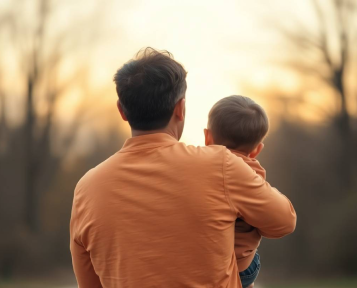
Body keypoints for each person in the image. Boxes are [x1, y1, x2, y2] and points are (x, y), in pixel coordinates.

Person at [70, 47, 297, 288]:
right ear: (180, 108)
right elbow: (283, 221)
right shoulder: (220, 164)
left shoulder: (86, 188)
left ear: (122, 110)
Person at [204, 95, 275, 288]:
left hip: (207, 263)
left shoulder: (200, 170)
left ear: (207, 137)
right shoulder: (254, 176)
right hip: (244, 267)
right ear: (256, 150)